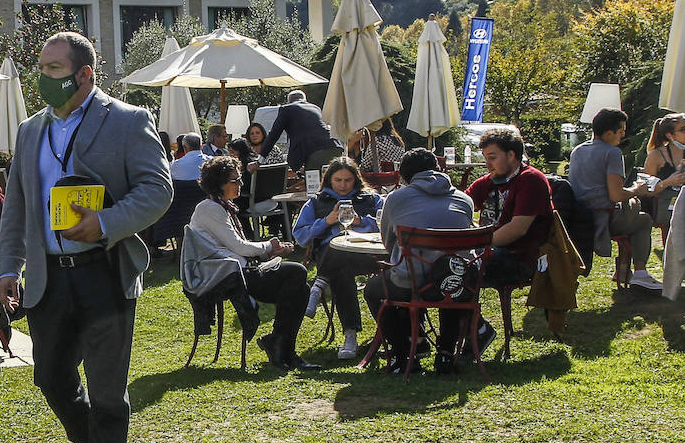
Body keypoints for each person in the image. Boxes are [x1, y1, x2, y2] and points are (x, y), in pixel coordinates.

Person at [0, 31, 172, 443]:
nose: (42, 79)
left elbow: (157, 190)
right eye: (41, 68)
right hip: (49, 279)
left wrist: (108, 222)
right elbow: (17, 208)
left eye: (53, 70)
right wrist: (8, 265)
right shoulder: (30, 131)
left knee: (108, 393)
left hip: (103, 273)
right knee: (50, 380)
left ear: (85, 74)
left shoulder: (127, 120)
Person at [191, 156, 317, 371]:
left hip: (237, 269)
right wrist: (269, 247)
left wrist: (270, 251)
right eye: (235, 180)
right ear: (218, 183)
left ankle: (282, 346)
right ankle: (282, 346)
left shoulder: (223, 206)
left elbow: (238, 247)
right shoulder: (209, 209)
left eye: (240, 179)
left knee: (300, 288)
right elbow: (238, 246)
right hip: (224, 275)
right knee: (296, 273)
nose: (240, 184)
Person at [364, 148, 475, 374]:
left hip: (412, 283)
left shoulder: (396, 198)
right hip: (460, 283)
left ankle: (405, 351)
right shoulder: (464, 199)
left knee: (374, 289)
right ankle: (445, 353)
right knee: (448, 275)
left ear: (403, 177)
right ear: (439, 168)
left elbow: (388, 241)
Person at [466, 125, 554, 352]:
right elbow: (462, 204)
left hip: (521, 257)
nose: (488, 164)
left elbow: (517, 229)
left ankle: (474, 331)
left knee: (459, 268)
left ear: (512, 154)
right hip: (491, 251)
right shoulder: (490, 180)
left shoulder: (531, 180)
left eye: (492, 157)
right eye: (485, 158)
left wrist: (477, 244)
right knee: (449, 265)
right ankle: (473, 329)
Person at [292, 157, 383, 360]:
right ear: (329, 180)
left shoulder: (371, 199)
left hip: (367, 255)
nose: (343, 185)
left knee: (342, 247)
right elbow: (301, 236)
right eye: (338, 180)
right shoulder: (316, 202)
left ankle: (318, 286)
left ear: (356, 180)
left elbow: (386, 223)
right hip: (331, 259)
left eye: (348, 180)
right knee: (340, 259)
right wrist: (326, 221)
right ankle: (350, 334)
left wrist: (361, 221)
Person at [567, 107, 662, 290]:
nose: (623, 135)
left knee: (632, 211)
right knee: (643, 220)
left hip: (579, 217)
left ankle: (624, 270)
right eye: (621, 131)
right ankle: (640, 272)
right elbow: (616, 195)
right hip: (603, 218)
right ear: (609, 133)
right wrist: (637, 189)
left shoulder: (577, 151)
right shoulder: (612, 153)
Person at [642, 114, 685, 231]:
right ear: (670, 135)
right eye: (682, 129)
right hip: (667, 207)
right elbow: (646, 190)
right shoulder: (656, 155)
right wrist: (668, 182)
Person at [258, 90, 338, 172]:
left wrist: (259, 160)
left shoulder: (286, 109)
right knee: (331, 178)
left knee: (312, 181)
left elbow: (274, 135)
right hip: (335, 146)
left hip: (315, 152)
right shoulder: (315, 108)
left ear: (289, 101)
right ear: (305, 100)